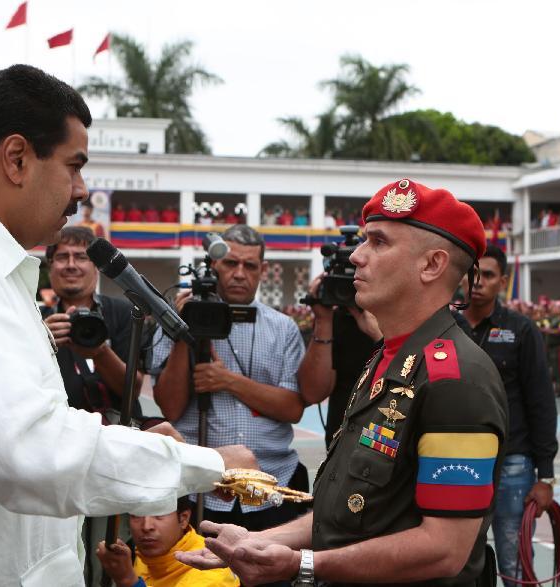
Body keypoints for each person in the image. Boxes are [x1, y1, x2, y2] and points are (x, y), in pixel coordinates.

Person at [0, 65, 255, 586]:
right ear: (16, 159)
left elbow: (18, 426)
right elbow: (25, 450)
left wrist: (141, 445)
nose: (80, 189)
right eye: (73, 166)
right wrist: (204, 463)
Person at [178, 178, 508, 586]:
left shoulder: (456, 379)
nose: (356, 256)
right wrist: (260, 541)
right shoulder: (388, 358)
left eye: (379, 242)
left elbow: (444, 549)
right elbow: (348, 511)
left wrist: (302, 565)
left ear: (432, 265)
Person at [150, 224, 310, 535]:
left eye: (249, 265)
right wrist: (186, 330)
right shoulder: (176, 319)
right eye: (230, 263)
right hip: (201, 486)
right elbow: (169, 407)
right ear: (213, 266)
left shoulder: (283, 328)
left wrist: (227, 381)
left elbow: (292, 408)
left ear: (262, 270)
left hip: (272, 480)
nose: (239, 273)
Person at [42, 226, 149, 585]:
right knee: (58, 549)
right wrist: (39, 340)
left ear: (96, 267)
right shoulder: (32, 317)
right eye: (62, 257)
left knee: (112, 549)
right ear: (50, 266)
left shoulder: (125, 314)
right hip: (55, 455)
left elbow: (131, 392)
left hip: (114, 451)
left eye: (81, 257)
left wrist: (100, 351)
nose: (71, 265)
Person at [461, 244, 556, 586]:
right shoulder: (444, 326)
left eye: (487, 275)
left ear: (502, 281)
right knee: (457, 561)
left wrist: (545, 476)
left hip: (512, 463)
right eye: (473, 274)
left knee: (514, 562)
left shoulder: (522, 330)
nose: (478, 282)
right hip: (456, 461)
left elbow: (541, 402)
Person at [298, 276, 381, 448]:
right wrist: (323, 320)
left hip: (384, 446)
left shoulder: (403, 318)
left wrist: (381, 337)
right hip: (340, 445)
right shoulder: (334, 320)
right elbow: (313, 394)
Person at [95, 498, 239, 587]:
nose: (146, 526)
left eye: (159, 514)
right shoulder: (145, 552)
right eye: (137, 515)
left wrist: (127, 580)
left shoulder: (211, 573)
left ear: (183, 519)